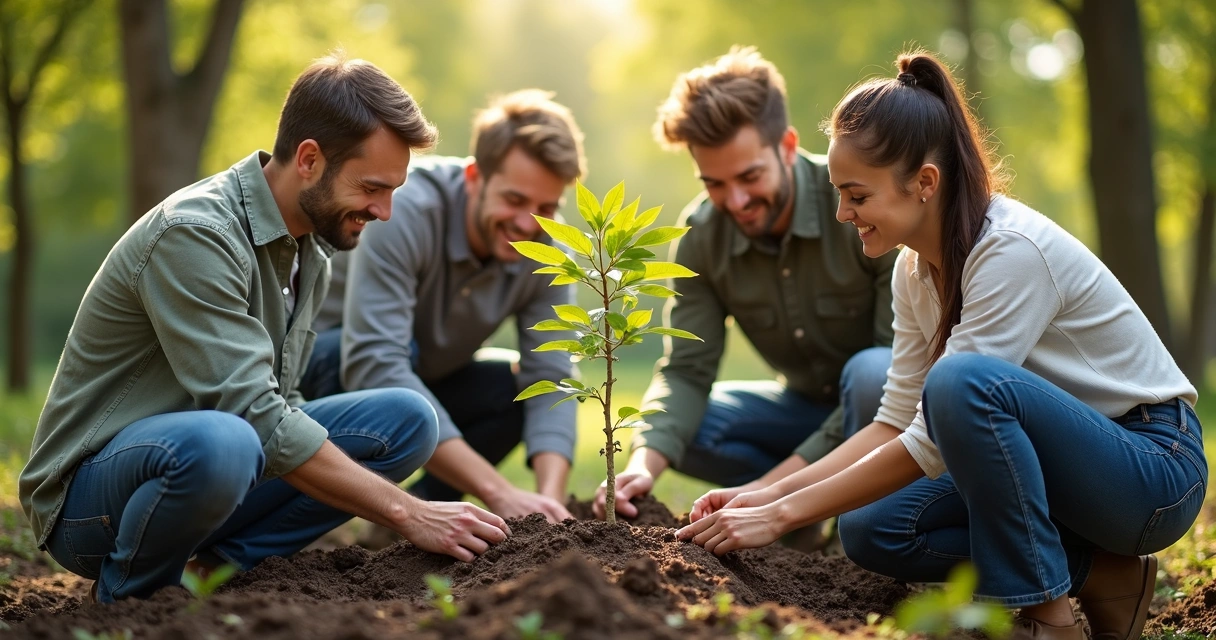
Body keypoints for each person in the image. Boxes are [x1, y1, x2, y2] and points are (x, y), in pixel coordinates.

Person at [676, 50, 1206, 640]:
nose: (843, 212)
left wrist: (782, 516)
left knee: (960, 383)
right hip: (1060, 473)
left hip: (1149, 471)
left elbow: (935, 429)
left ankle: (1048, 621)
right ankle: (1102, 575)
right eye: (838, 193)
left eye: (857, 195)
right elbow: (894, 420)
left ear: (925, 183)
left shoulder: (1008, 251)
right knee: (871, 526)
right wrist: (764, 495)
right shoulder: (912, 270)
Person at [19, 54, 511, 604]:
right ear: (308, 159)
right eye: (372, 187)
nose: (385, 211)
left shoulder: (309, 253)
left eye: (392, 190)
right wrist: (407, 511)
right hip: (92, 501)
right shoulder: (195, 234)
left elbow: (286, 405)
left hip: (207, 470)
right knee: (227, 439)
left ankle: (213, 572)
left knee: (407, 420)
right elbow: (254, 413)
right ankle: (134, 599)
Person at [593, 46, 896, 521]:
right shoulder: (702, 235)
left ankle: (819, 506)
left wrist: (767, 491)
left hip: (881, 415)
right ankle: (800, 522)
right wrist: (643, 464)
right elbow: (687, 371)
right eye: (714, 183)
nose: (734, 200)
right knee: (680, 428)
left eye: (749, 176)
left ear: (788, 147)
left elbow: (899, 380)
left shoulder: (864, 209)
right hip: (797, 411)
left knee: (872, 372)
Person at [302, 90, 586, 524]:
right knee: (402, 364)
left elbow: (551, 376)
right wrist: (500, 493)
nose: (530, 224)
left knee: (514, 386)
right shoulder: (403, 211)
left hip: (423, 384)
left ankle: (427, 515)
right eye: (514, 200)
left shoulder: (549, 248)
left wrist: (550, 505)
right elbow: (375, 364)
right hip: (322, 379)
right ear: (475, 177)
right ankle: (356, 509)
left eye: (547, 208)